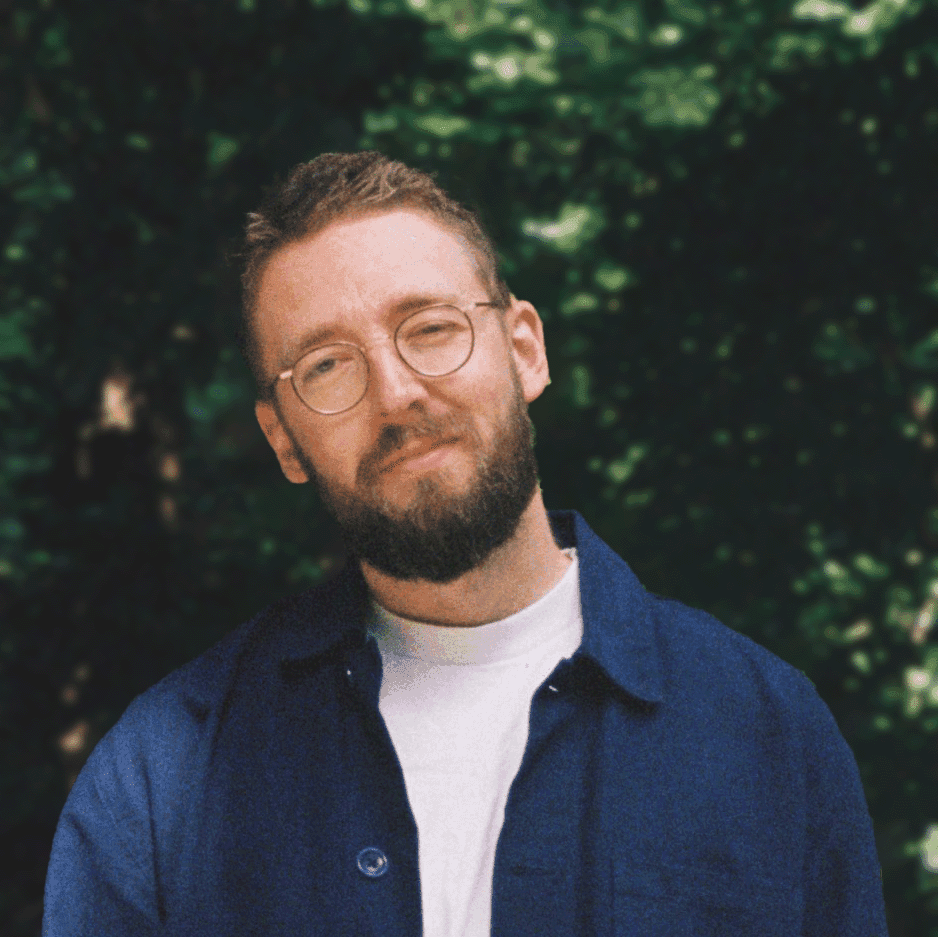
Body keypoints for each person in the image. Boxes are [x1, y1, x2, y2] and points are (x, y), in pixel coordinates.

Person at [42, 151, 888, 936]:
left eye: (431, 327)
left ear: (525, 350)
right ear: (283, 440)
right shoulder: (157, 782)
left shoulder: (767, 732)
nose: (397, 393)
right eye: (327, 365)